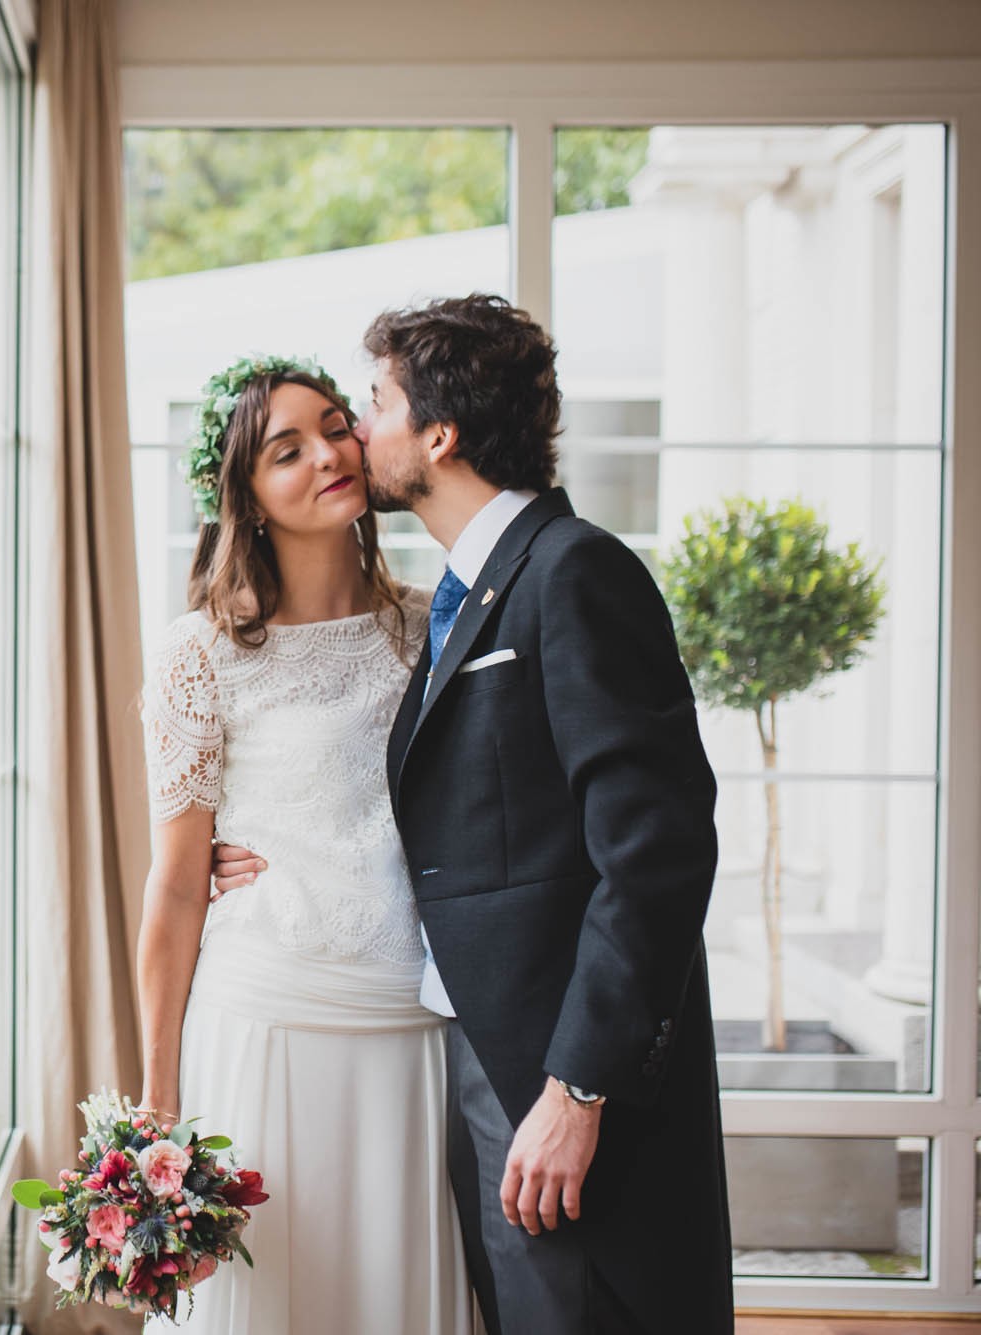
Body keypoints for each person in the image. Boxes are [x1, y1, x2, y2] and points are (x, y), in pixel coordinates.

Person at [212, 295, 734, 1334]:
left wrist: (575, 1091)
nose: (356, 434)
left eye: (372, 405)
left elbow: (656, 854)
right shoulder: (461, 592)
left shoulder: (572, 570)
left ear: (436, 436)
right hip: (463, 1052)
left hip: (554, 1077)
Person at [136, 355, 473, 1333]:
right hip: (267, 1014)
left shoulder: (431, 625)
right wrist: (158, 1099)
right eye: (287, 449)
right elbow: (172, 887)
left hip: (411, 1017)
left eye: (336, 426)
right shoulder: (197, 651)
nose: (328, 454)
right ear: (241, 494)